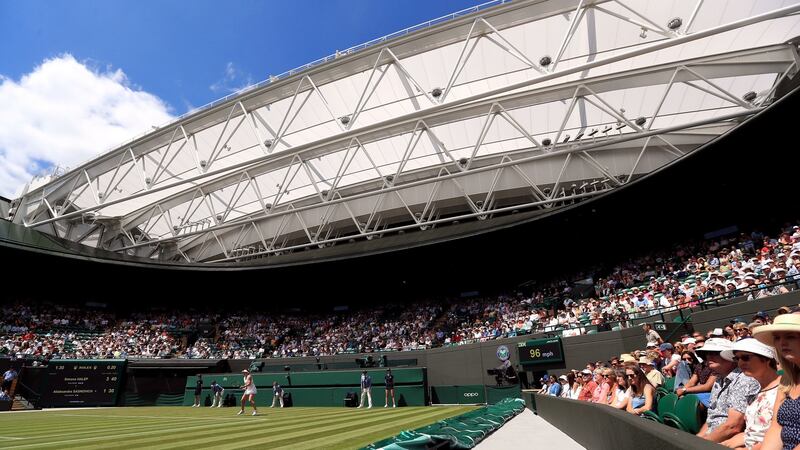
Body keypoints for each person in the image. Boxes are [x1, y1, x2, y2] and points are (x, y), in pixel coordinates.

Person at [718, 338, 780, 450]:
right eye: (737, 358)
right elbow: (753, 432)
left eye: (746, 357)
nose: (740, 363)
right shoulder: (757, 392)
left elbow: (782, 434)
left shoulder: (785, 389)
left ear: (767, 359)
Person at [695, 338, 760, 443]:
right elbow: (711, 419)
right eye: (706, 354)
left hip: (728, 441)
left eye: (715, 353)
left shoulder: (744, 379)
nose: (708, 357)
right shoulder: (719, 379)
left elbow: (733, 427)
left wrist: (700, 445)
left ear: (730, 357)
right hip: (712, 439)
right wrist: (697, 439)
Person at [753, 313, 800, 450]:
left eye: (790, 336)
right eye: (777, 338)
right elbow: (776, 426)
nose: (781, 343)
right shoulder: (787, 379)